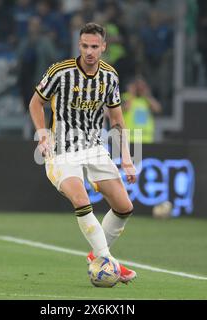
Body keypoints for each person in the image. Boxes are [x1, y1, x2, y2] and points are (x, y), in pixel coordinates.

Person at [28, 23, 137, 284]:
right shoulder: (59, 71)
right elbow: (35, 103)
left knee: (124, 207)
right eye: (85, 46)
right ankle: (108, 261)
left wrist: (127, 158)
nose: (89, 51)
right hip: (61, 151)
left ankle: (97, 256)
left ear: (103, 47)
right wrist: (42, 134)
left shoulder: (110, 76)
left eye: (94, 47)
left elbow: (117, 119)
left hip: (93, 148)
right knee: (80, 198)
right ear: (79, 46)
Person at [122, 77, 162, 144]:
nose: (139, 88)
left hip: (146, 139)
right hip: (130, 139)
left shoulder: (147, 100)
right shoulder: (126, 97)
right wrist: (132, 93)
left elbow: (157, 109)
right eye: (137, 86)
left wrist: (147, 95)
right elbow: (126, 108)